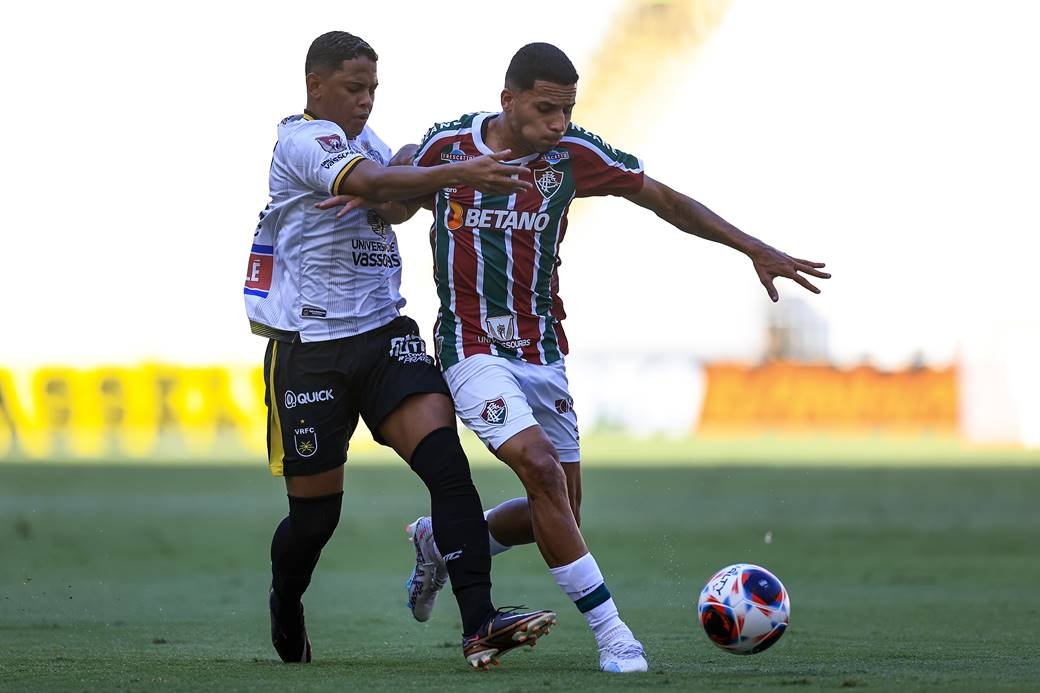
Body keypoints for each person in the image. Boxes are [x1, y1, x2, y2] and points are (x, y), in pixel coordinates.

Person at [322, 42, 830, 674]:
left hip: (543, 350)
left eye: (566, 109)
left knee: (560, 511)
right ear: (508, 100)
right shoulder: (450, 148)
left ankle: (445, 540)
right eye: (544, 109)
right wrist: (370, 189)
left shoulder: (572, 156)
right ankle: (615, 637)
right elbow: (400, 198)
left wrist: (752, 247)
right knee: (538, 468)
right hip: (470, 346)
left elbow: (664, 199)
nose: (557, 123)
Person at [245, 31, 558, 671]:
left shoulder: (367, 146)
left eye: (373, 91)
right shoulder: (301, 140)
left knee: (447, 467)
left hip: (386, 337)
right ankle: (285, 598)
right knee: (314, 521)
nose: (366, 102)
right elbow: (383, 181)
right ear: (317, 86)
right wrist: (449, 172)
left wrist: (411, 174)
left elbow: (392, 196)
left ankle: (480, 624)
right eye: (354, 89)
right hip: (313, 350)